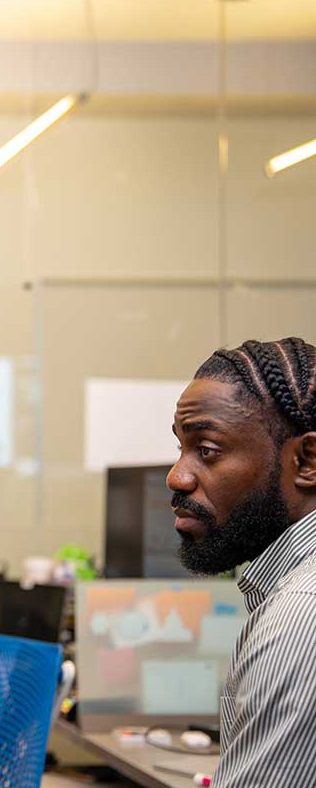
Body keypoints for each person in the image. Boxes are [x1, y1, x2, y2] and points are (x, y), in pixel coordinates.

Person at [168, 337, 316, 787]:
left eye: (207, 450)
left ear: (307, 461)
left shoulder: (300, 616)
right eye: (181, 448)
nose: (177, 476)